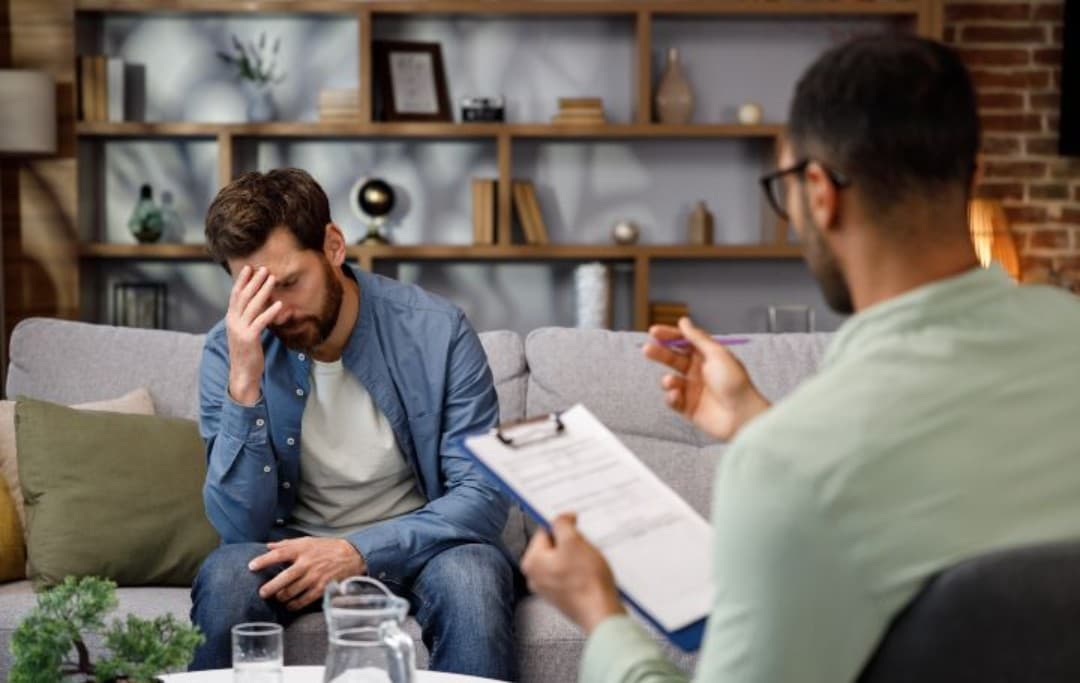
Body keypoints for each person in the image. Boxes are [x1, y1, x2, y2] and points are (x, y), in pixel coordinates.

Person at [520, 34, 1080, 683]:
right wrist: (757, 419)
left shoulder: (788, 468)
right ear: (974, 174)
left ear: (819, 192)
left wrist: (599, 615)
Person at [189, 168, 518, 680]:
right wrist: (245, 383)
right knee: (228, 576)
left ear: (334, 246)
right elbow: (238, 529)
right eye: (254, 291)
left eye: (290, 283)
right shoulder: (229, 351)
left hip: (423, 545)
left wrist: (357, 551)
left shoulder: (438, 331)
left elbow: (483, 494)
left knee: (474, 577)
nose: (275, 310)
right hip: (291, 547)